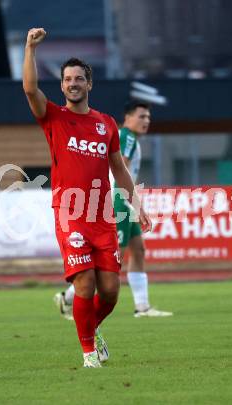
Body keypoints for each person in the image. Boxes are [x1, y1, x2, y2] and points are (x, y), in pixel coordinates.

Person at [23, 28, 152, 368]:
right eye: (67, 79)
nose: (73, 83)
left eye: (79, 78)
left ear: (89, 84)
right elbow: (29, 88)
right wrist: (30, 49)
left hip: (102, 215)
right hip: (70, 212)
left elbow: (120, 170)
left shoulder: (106, 124)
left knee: (110, 291)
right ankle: (88, 354)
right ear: (62, 85)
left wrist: (136, 205)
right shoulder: (53, 117)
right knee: (86, 281)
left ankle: (89, 330)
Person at [55, 102, 173, 318]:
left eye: (148, 117)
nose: (146, 121)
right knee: (111, 258)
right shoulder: (126, 136)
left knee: (138, 250)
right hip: (118, 200)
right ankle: (70, 296)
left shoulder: (129, 138)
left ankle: (142, 307)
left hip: (123, 201)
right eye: (142, 116)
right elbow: (120, 167)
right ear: (128, 118)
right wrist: (129, 203)